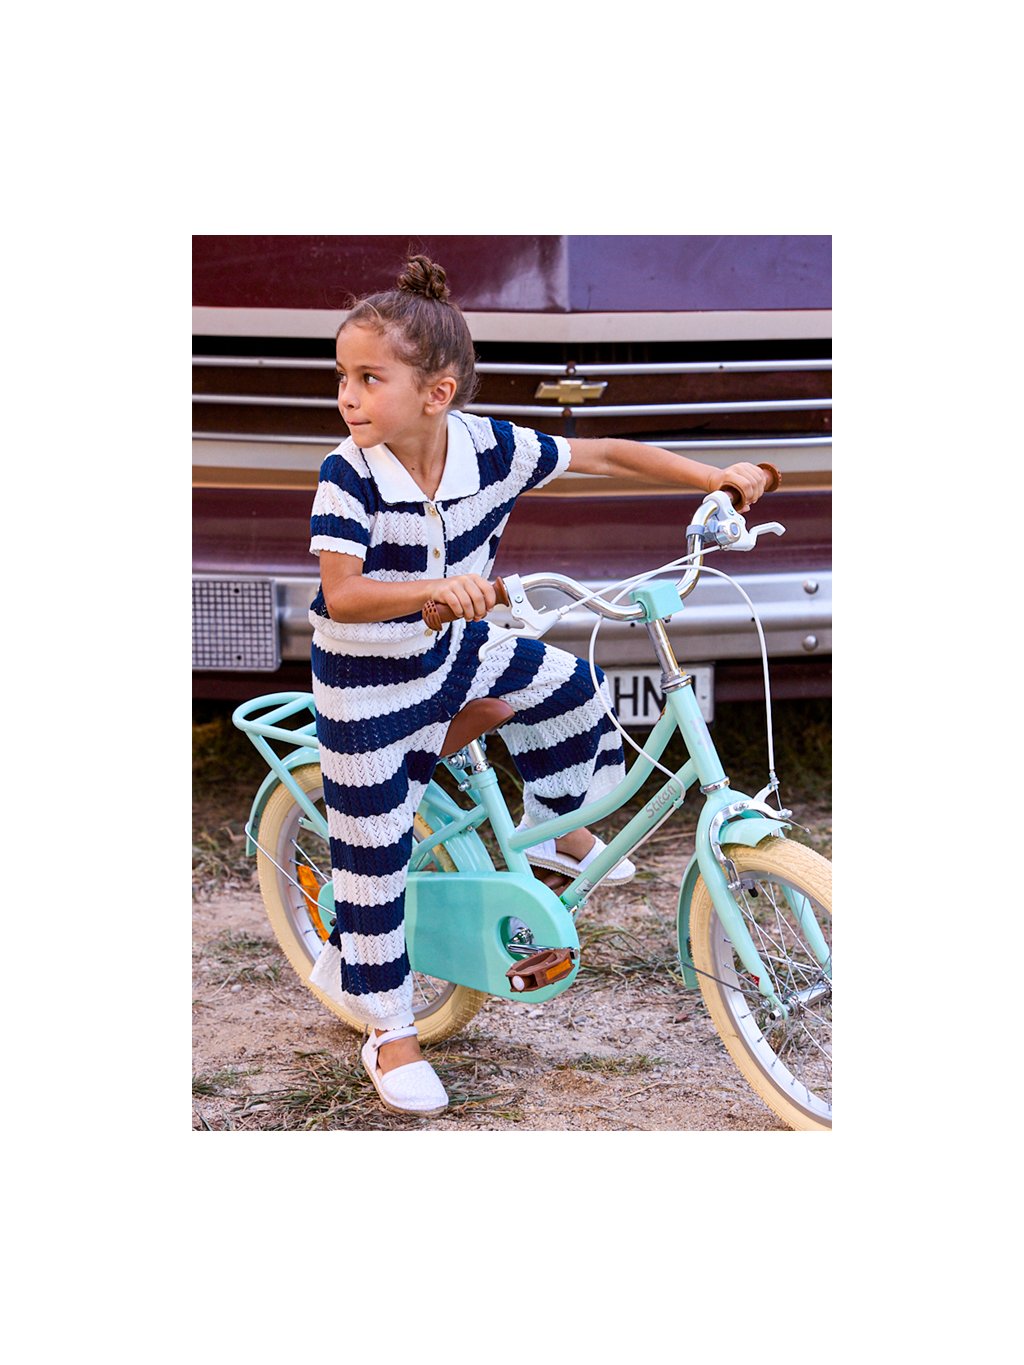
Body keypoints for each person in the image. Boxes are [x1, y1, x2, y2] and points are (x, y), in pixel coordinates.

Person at [306, 255, 769, 1117]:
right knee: (373, 860)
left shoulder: (492, 449)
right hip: (366, 685)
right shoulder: (349, 474)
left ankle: (554, 834)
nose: (348, 396)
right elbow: (343, 594)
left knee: (571, 686)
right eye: (343, 376)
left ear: (438, 394)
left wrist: (712, 476)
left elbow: (601, 451)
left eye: (369, 378)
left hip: (456, 650)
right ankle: (391, 1032)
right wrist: (435, 589)